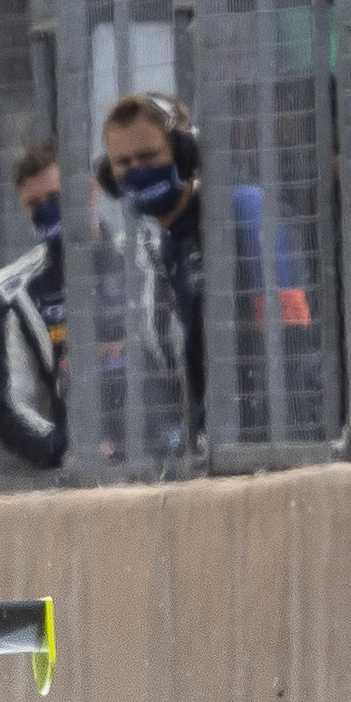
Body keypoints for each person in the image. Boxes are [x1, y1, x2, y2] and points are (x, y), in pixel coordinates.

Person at [95, 90, 321, 451]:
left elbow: (289, 339)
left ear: (184, 156)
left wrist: (286, 442)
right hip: (223, 445)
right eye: (124, 162)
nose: (136, 171)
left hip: (283, 439)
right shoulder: (171, 244)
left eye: (149, 156)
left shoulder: (247, 210)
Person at [0, 138, 69, 470]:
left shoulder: (144, 258)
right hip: (89, 464)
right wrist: (67, 447)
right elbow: (6, 405)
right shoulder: (11, 289)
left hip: (172, 447)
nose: (45, 209)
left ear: (88, 189)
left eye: (55, 198)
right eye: (34, 203)